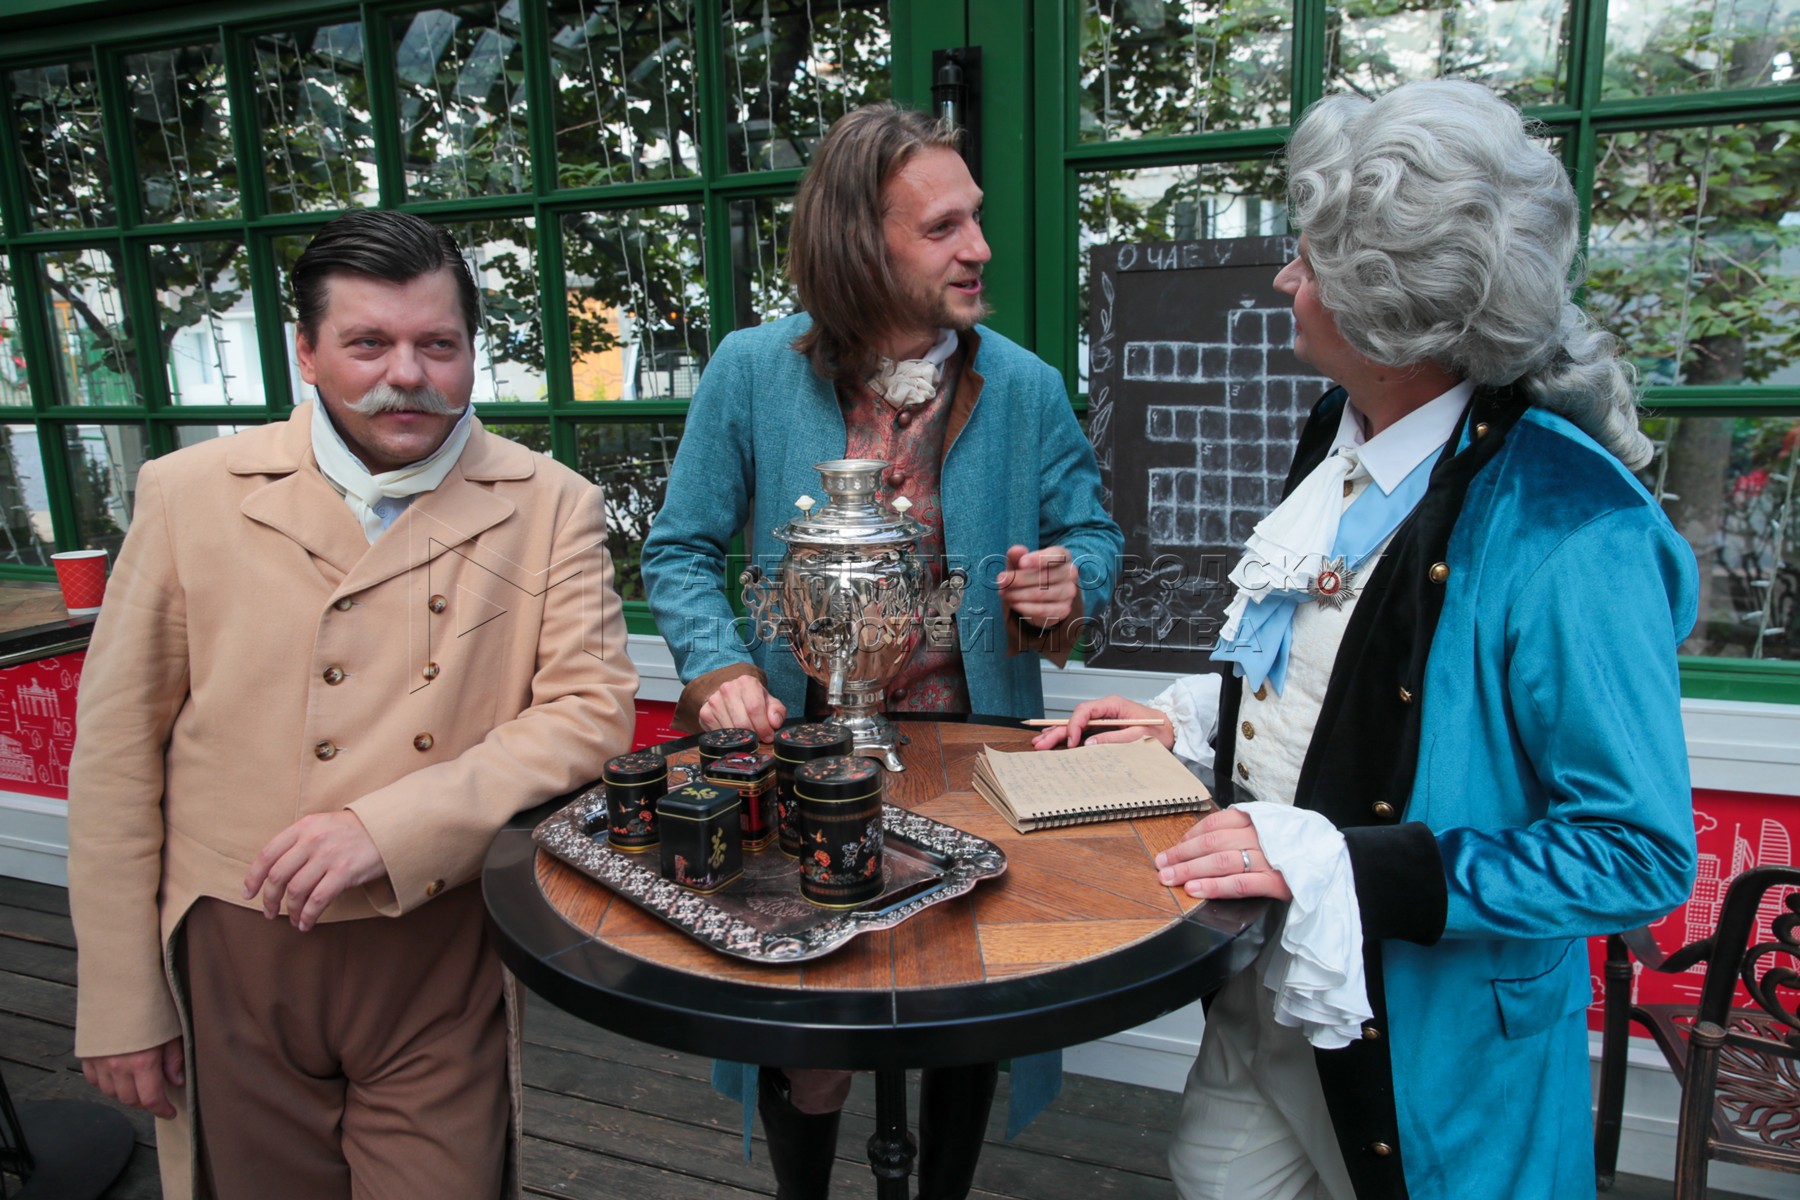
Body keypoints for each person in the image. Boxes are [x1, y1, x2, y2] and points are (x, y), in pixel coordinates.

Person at [1038, 80, 1699, 1200]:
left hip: (1438, 1056)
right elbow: (1327, 658)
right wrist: (1189, 720)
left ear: (1388, 313)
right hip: (1267, 989)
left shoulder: (1573, 526)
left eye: (1307, 259)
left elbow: (1636, 853)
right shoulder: (1342, 428)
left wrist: (1349, 866)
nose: (1283, 279)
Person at [67, 209, 638, 1200]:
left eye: (438, 345)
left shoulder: (552, 503)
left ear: (471, 351)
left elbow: (588, 712)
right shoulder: (187, 492)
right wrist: (120, 997)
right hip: (233, 942)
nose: (406, 374)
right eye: (368, 343)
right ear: (307, 351)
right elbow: (116, 751)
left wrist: (390, 827)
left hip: (437, 942)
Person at [641, 103, 1122, 1199]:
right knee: (807, 1028)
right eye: (943, 227)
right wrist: (719, 668)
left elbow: (1092, 536)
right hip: (803, 770)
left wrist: (1069, 580)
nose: (979, 247)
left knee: (966, 1017)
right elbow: (680, 547)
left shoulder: (1027, 385)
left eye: (976, 219)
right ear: (862, 243)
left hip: (976, 765)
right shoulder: (750, 370)